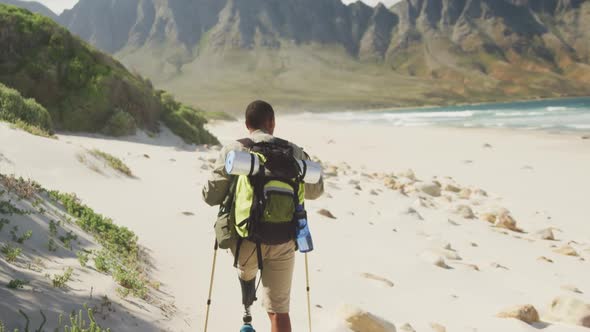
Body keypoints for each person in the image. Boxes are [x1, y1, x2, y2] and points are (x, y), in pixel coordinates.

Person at [202, 100, 324, 332]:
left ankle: (247, 296)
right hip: (284, 239)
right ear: (272, 124)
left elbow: (211, 197)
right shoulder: (295, 151)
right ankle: (255, 301)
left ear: (247, 124)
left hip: (245, 238)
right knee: (279, 309)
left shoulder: (234, 150)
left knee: (246, 272)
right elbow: (315, 191)